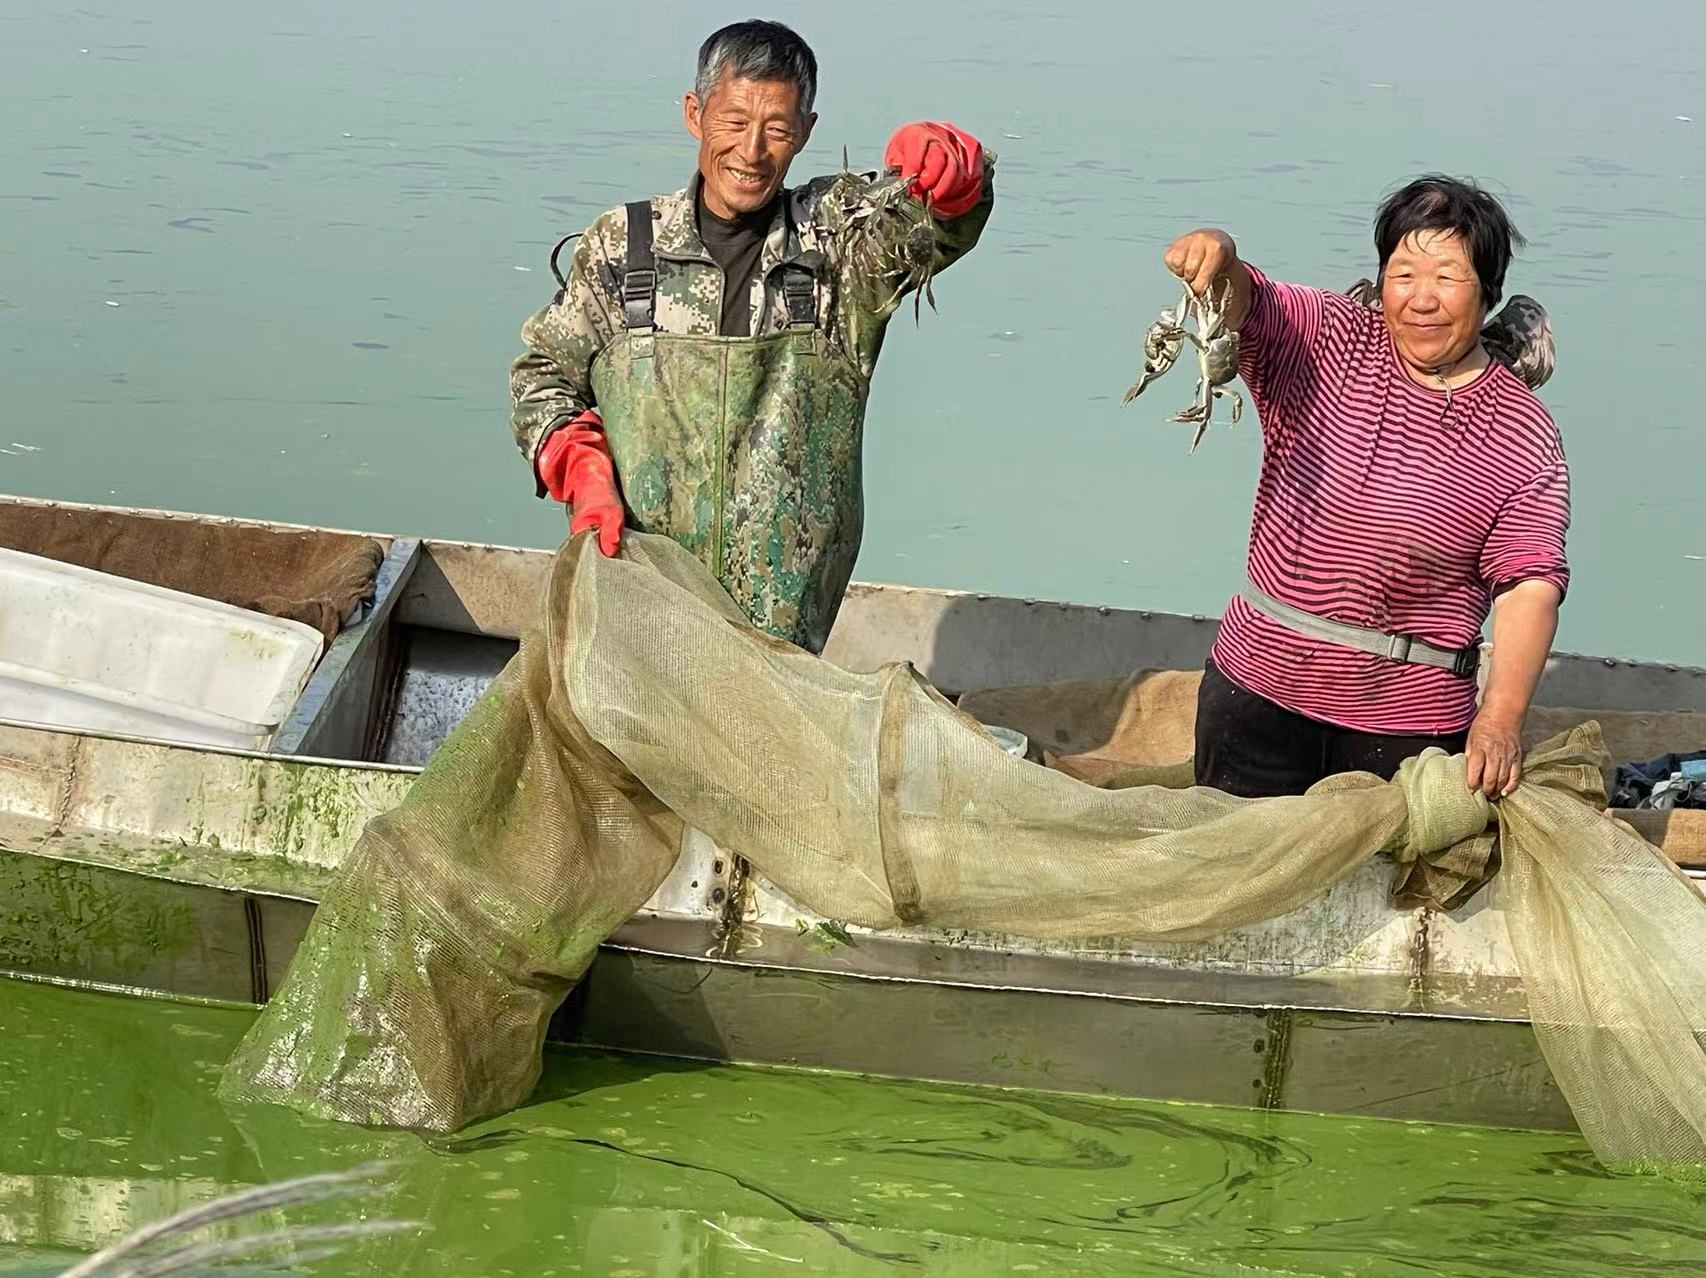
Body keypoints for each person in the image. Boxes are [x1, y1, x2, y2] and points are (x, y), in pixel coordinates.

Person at [509, 20, 993, 653]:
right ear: (694, 114)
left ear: (807, 134)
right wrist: (583, 471)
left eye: (778, 129)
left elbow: (935, 227)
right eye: (734, 123)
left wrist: (954, 171)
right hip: (639, 597)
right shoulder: (622, 246)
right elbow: (542, 378)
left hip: (785, 624)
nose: (753, 151)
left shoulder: (841, 240)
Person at [1162, 176, 1570, 801]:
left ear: (1487, 293)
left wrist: (1500, 719)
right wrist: (1220, 257)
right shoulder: (1329, 340)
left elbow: (1529, 585)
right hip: (1256, 698)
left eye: (1447, 277)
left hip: (1408, 731)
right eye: (1403, 275)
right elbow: (1252, 301)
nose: (1421, 299)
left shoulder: (1520, 426)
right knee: (1236, 886)